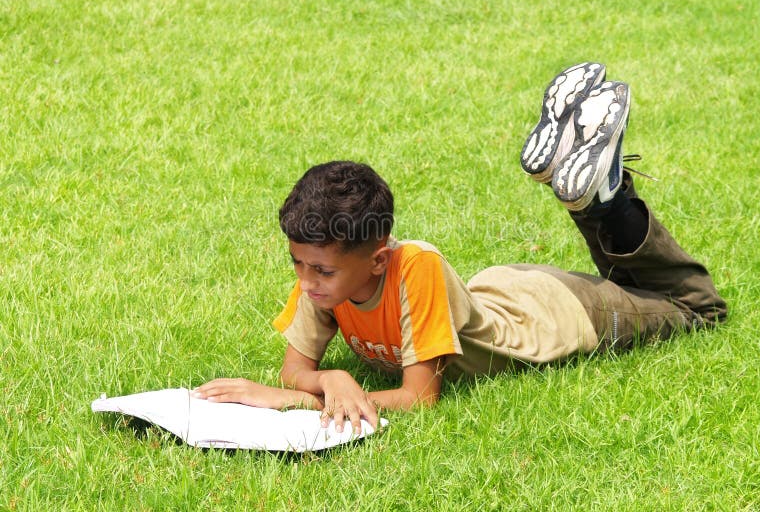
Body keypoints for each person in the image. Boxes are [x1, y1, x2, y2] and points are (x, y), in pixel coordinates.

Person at [192, 62, 727, 435]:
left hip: (556, 316)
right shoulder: (325, 268)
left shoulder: (413, 265)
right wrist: (327, 379)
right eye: (298, 265)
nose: (307, 283)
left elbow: (419, 397)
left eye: (320, 272)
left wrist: (309, 401)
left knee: (697, 308)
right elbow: (295, 370)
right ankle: (594, 189)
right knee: (646, 287)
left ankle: (603, 200)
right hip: (501, 291)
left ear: (376, 259)